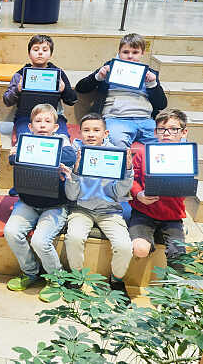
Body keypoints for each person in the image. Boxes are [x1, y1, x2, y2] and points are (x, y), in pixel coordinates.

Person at [3, 104, 76, 302]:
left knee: (40, 241)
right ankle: (30, 272)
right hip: (28, 201)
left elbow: (70, 156)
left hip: (55, 205)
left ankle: (56, 279)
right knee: (11, 232)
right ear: (30, 126)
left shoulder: (61, 140)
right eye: (38, 121)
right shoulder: (25, 141)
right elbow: (12, 159)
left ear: (55, 127)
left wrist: (41, 154)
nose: (43, 125)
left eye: (48, 121)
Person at [61, 113, 133, 300]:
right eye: (86, 130)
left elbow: (119, 193)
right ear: (80, 132)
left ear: (105, 133)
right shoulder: (74, 152)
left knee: (124, 246)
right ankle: (76, 278)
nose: (91, 134)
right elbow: (71, 195)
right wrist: (75, 172)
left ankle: (116, 281)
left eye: (96, 130)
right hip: (81, 209)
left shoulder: (116, 154)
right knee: (74, 237)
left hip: (109, 211)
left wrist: (128, 171)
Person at [75, 33, 167, 148]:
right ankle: (126, 166)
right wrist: (98, 77)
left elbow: (161, 104)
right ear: (119, 52)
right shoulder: (109, 68)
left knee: (170, 139)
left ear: (142, 53)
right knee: (115, 142)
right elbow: (81, 88)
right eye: (125, 52)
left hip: (145, 120)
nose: (130, 56)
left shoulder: (149, 73)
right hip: (116, 119)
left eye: (135, 52)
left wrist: (153, 84)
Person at [129, 108, 189, 271]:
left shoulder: (186, 156)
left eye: (173, 129)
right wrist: (138, 194)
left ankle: (174, 292)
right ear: (155, 132)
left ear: (183, 132)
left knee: (178, 254)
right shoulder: (143, 153)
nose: (167, 133)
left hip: (172, 215)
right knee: (139, 248)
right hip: (143, 212)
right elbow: (132, 180)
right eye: (162, 129)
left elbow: (186, 188)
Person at [3, 35, 77, 138]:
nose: (40, 53)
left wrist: (64, 90)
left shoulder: (58, 74)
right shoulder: (20, 75)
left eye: (45, 50)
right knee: (26, 140)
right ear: (29, 53)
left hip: (54, 117)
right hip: (26, 117)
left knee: (63, 141)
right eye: (36, 49)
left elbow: (72, 100)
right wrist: (17, 90)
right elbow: (7, 101)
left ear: (51, 54)